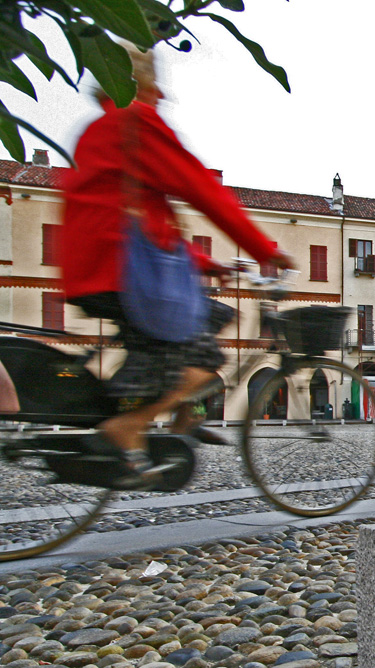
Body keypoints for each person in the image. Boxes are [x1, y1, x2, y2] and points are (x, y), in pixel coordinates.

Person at [59, 44, 293, 483]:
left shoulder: (97, 130)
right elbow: (201, 188)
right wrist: (265, 249)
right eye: (154, 81)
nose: (161, 94)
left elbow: (132, 214)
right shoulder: (136, 121)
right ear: (140, 81)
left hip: (98, 267)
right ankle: (130, 425)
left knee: (211, 313)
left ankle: (183, 418)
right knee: (203, 355)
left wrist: (205, 263)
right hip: (124, 272)